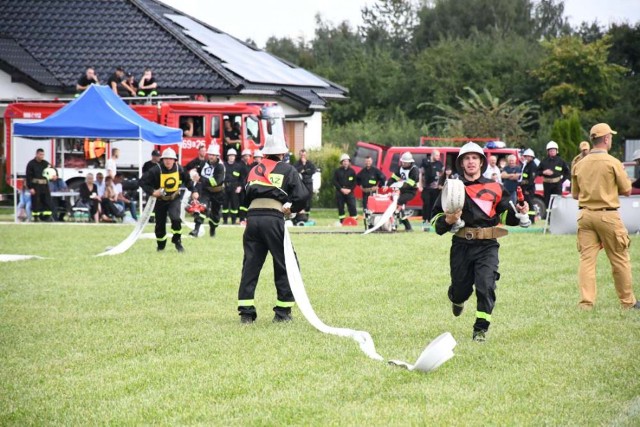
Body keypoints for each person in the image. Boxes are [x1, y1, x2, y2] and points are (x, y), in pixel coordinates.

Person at [431, 142, 529, 342]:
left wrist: (519, 213)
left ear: (482, 162)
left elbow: (504, 216)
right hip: (461, 246)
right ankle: (457, 300)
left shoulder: (495, 187)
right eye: (466, 158)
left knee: (486, 286)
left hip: (487, 246)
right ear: (461, 163)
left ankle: (480, 330)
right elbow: (435, 222)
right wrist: (448, 220)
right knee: (460, 291)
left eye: (475, 158)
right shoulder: (452, 188)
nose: (471, 162)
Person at [237, 136, 309, 324]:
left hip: (252, 220)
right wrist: (291, 209)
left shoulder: (254, 170)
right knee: (285, 262)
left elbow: (244, 198)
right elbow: (302, 195)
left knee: (251, 264)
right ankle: (283, 312)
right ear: (282, 153)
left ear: (265, 153)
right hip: (273, 218)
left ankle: (246, 312)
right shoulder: (287, 169)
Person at [571, 123, 638, 310]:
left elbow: (575, 195)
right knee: (619, 259)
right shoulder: (613, 162)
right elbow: (626, 190)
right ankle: (627, 302)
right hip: (608, 215)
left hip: (585, 215)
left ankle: (586, 303)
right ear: (607, 139)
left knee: (586, 260)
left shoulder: (579, 163)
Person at [139, 148, 190, 252]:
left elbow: (188, 180)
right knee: (160, 224)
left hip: (174, 198)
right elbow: (142, 182)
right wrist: (153, 192)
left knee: (175, 218)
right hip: (160, 200)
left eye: (170, 159)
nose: (168, 161)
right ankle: (161, 246)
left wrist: (194, 191)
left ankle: (177, 241)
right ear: (162, 159)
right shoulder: (156, 170)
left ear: (174, 160)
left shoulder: (179, 169)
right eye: (165, 159)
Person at [191, 144, 225, 237]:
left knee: (216, 216)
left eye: (213, 155)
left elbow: (215, 182)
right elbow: (196, 176)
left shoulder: (220, 167)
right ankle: (196, 229)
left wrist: (201, 179)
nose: (211, 157)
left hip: (218, 192)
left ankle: (213, 228)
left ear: (217, 156)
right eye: (210, 154)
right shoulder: (203, 164)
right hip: (206, 191)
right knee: (202, 207)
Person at [386, 151, 419, 231]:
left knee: (398, 201)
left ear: (410, 162)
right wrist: (388, 185)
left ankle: (398, 215)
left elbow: (409, 184)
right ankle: (407, 226)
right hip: (402, 190)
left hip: (411, 191)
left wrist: (398, 187)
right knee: (398, 208)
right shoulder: (400, 168)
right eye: (403, 162)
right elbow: (394, 178)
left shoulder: (414, 170)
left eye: (405, 162)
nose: (403, 164)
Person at [537, 141, 570, 212]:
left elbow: (567, 172)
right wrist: (543, 172)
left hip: (557, 185)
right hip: (547, 185)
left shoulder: (561, 161)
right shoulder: (544, 161)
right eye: (550, 150)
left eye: (553, 150)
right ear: (548, 152)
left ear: (557, 151)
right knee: (547, 201)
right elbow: (537, 172)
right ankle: (548, 217)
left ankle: (557, 216)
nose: (552, 152)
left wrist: (561, 181)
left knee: (557, 201)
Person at [25, 148, 54, 222]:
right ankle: (36, 217)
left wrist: (55, 175)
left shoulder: (45, 163)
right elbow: (28, 177)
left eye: (43, 154)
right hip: (36, 186)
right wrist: (30, 187)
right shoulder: (31, 164)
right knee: (36, 202)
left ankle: (47, 217)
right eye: (40, 154)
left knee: (47, 201)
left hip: (44, 186)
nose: (42, 156)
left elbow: (52, 169)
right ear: (37, 154)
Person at [419, 150, 443, 229]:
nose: (438, 157)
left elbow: (442, 174)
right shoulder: (425, 162)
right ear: (432, 155)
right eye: (437, 155)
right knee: (426, 203)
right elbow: (421, 173)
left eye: (439, 156)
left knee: (434, 204)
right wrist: (420, 185)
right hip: (426, 187)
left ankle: (432, 220)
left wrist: (441, 184)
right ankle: (425, 220)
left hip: (436, 189)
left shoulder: (439, 164)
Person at [333, 153, 357, 223]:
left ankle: (353, 221)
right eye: (344, 161)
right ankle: (342, 222)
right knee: (341, 207)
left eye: (347, 161)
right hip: (340, 192)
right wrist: (341, 189)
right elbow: (334, 181)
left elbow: (354, 182)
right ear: (341, 162)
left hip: (350, 192)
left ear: (349, 162)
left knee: (352, 206)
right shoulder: (337, 171)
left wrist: (350, 190)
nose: (345, 162)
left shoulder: (352, 171)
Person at [222, 148, 245, 225]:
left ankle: (233, 221)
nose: (231, 157)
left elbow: (242, 179)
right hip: (225, 188)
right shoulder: (223, 165)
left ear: (235, 157)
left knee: (234, 206)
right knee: (224, 205)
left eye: (233, 156)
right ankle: (225, 221)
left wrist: (240, 187)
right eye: (230, 156)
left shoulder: (238, 167)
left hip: (234, 189)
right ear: (228, 156)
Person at [294, 149, 317, 217]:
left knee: (309, 200)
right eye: (301, 155)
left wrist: (304, 169)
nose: (302, 156)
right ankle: (301, 216)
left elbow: (313, 170)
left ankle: (307, 216)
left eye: (304, 155)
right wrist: (303, 166)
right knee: (302, 199)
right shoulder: (297, 163)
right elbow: (295, 170)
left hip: (309, 184)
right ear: (299, 155)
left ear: (306, 155)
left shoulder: (310, 163)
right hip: (301, 184)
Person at [519, 148, 538, 224]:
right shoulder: (526, 165)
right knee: (524, 203)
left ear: (532, 157)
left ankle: (532, 219)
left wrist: (527, 189)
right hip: (524, 187)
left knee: (530, 203)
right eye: (525, 156)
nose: (526, 158)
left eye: (528, 156)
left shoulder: (532, 166)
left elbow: (531, 179)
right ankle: (525, 218)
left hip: (529, 188)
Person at [238, 148, 253, 223]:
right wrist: (239, 186)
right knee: (242, 204)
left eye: (248, 156)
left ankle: (246, 218)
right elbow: (239, 177)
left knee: (247, 204)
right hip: (242, 187)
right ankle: (241, 219)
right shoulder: (240, 165)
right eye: (245, 156)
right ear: (243, 156)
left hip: (248, 187)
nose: (247, 157)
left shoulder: (249, 166)